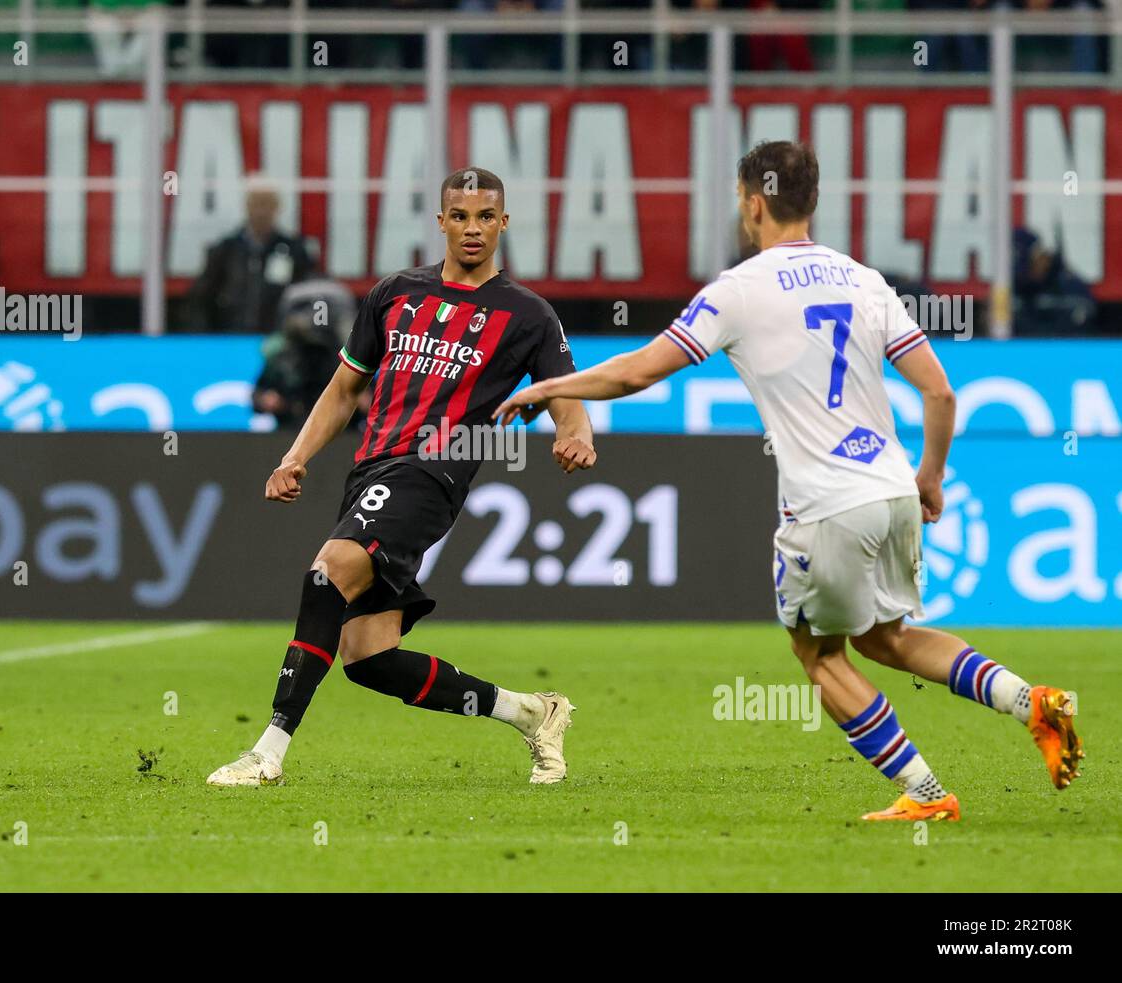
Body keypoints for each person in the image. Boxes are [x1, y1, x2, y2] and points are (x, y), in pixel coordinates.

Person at [495, 141, 1084, 821]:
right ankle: (1030, 700)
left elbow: (637, 372)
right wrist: (929, 477)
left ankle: (926, 795)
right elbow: (942, 393)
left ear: (753, 202)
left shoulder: (739, 288)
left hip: (826, 504)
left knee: (819, 655)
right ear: (813, 200)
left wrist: (550, 385)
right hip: (890, 487)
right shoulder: (863, 279)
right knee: (885, 637)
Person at [207, 167, 597, 788]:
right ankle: (532, 713)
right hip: (371, 469)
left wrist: (576, 438)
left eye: (485, 216)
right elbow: (344, 389)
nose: (473, 228)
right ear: (441, 221)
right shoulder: (395, 293)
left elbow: (566, 398)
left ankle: (267, 753)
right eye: (460, 216)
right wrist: (294, 457)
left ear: (503, 223)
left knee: (327, 571)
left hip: (432, 471)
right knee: (368, 656)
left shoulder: (528, 315)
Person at [185, 176, 316, 334]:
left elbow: (308, 294)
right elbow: (201, 297)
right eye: (256, 203)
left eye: (267, 204)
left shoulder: (294, 250)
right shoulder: (226, 249)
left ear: (277, 207)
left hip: (279, 340)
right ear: (246, 206)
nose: (261, 211)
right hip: (230, 339)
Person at [252, 277, 361, 430]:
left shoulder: (348, 359)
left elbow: (371, 399)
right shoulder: (282, 357)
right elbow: (257, 395)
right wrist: (266, 399)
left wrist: (363, 400)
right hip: (292, 433)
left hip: (340, 433)